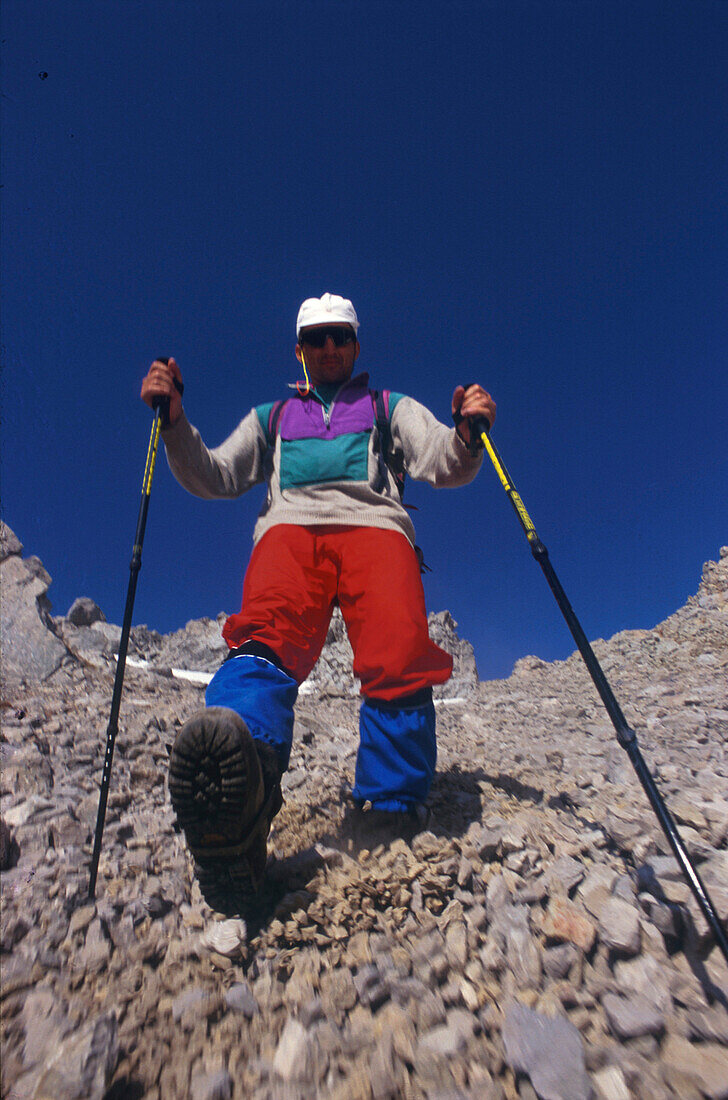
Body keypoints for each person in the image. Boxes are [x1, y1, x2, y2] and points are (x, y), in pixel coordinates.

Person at [141, 292, 496, 896]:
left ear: (356, 346)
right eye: (317, 338)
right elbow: (217, 474)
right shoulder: (272, 418)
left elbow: (443, 461)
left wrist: (466, 431)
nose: (329, 347)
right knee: (265, 637)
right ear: (299, 350)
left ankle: (386, 807)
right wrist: (174, 421)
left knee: (398, 648)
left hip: (377, 528)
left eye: (340, 337)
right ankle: (242, 771)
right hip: (289, 531)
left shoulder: (391, 406)